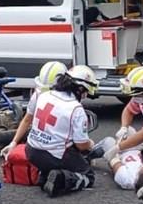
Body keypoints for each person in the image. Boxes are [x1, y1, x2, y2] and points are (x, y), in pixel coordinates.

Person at [24, 64, 99, 197]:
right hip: (54, 155)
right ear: (80, 89)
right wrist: (90, 144)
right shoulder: (75, 108)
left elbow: (28, 119)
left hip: (31, 151)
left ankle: (45, 176)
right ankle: (61, 179)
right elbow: (81, 145)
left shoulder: (44, 95)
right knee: (88, 175)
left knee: (61, 151)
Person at [0, 61, 68, 159]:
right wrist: (13, 142)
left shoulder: (38, 95)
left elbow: (27, 119)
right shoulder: (69, 100)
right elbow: (27, 120)